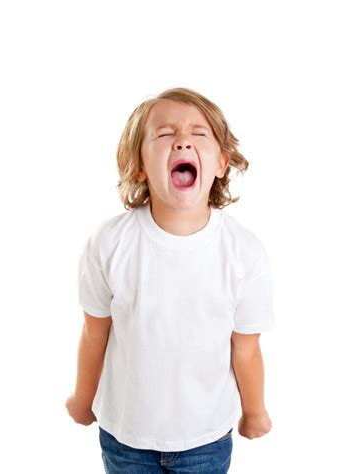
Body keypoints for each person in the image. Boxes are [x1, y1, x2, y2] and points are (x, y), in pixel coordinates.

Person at [66, 87, 276, 473]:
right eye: (164, 135)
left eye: (199, 134)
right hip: (126, 439)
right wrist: (83, 398)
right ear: (140, 165)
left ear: (220, 163)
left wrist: (255, 411)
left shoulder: (243, 253)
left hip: (206, 440)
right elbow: (94, 333)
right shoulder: (110, 244)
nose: (182, 141)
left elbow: (245, 349)